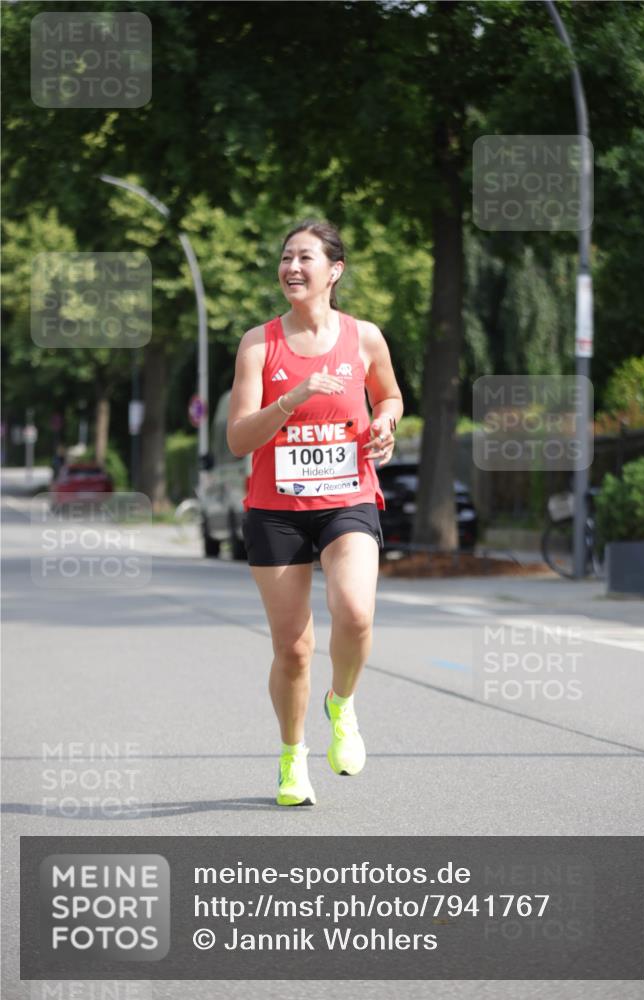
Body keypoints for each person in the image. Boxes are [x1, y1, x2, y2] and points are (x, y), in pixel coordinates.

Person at [227, 219, 403, 806]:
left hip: (348, 498)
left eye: (305, 258)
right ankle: (291, 757)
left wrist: (385, 422)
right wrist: (292, 397)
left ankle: (343, 703)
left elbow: (391, 395)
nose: (292, 268)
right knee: (293, 648)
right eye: (285, 258)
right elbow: (238, 439)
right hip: (275, 511)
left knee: (354, 611)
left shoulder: (365, 337)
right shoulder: (259, 344)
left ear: (335, 270)